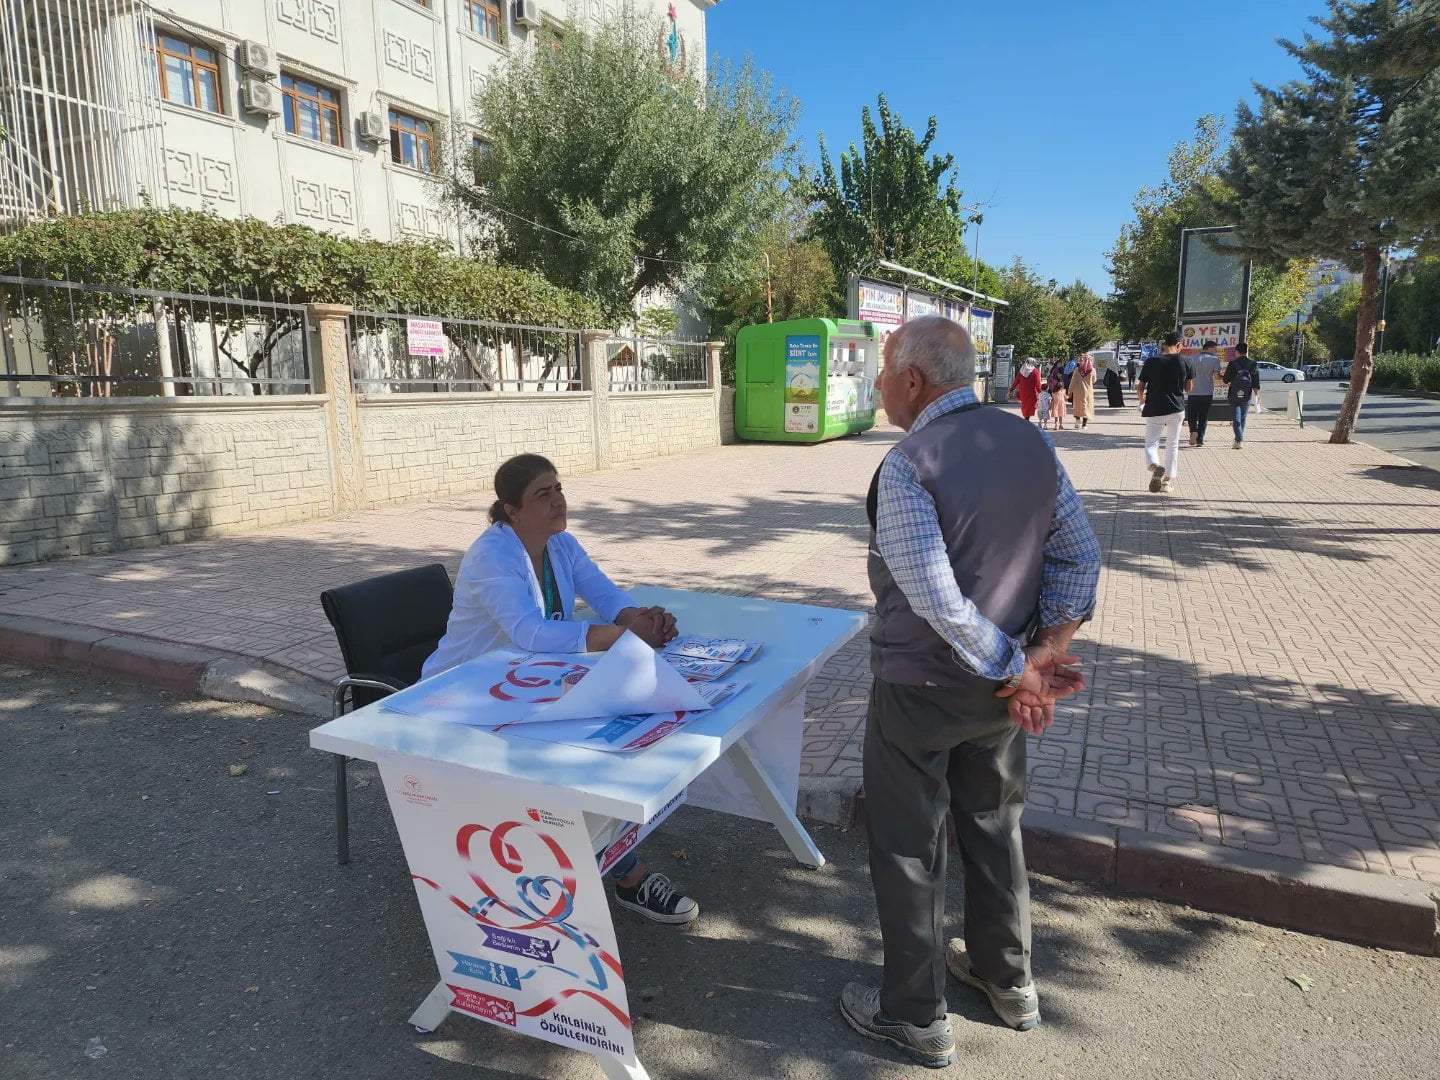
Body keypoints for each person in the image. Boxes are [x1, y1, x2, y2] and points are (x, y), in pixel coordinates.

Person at [839, 316, 1101, 1069]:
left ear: (914, 381)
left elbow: (936, 597)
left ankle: (916, 1017)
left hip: (922, 691)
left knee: (909, 846)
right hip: (999, 696)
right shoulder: (1030, 441)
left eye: (884, 371)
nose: (880, 385)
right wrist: (1043, 654)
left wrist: (1021, 667)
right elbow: (1078, 558)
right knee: (993, 824)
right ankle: (1007, 979)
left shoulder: (908, 463)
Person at [423, 453, 699, 925]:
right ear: (512, 509)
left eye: (558, 489)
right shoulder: (492, 555)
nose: (557, 501)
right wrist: (622, 638)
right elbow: (527, 632)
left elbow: (606, 595)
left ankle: (585, 865)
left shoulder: (561, 544)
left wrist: (641, 619)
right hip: (463, 694)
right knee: (581, 763)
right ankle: (614, 877)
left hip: (528, 683)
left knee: (611, 741)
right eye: (542, 494)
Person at [1137, 332, 1194, 493]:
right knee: (1172, 444)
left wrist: (1142, 401)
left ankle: (1154, 467)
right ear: (1179, 345)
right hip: (1177, 408)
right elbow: (1188, 388)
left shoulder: (1152, 361)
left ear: (1164, 344)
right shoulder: (1187, 361)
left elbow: (1140, 386)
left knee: (1151, 443)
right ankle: (1167, 482)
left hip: (1155, 407)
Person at [1223, 341, 1261, 449]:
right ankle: (1238, 440)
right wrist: (1257, 395)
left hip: (1234, 394)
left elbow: (1226, 380)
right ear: (1246, 351)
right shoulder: (1253, 364)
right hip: (1247, 394)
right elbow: (1256, 381)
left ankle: (1239, 438)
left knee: (1236, 417)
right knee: (1243, 417)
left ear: (1237, 352)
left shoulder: (1232, 364)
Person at [1185, 340, 1223, 447]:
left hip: (1192, 391)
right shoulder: (1214, 359)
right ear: (1209, 348)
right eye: (1215, 349)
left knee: (1191, 415)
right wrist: (1224, 377)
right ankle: (1200, 440)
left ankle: (1193, 431)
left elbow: (1187, 375)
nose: (1216, 351)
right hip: (1207, 392)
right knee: (1203, 416)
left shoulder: (1191, 358)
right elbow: (1216, 376)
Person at [1009, 358, 1042, 422]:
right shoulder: (1035, 371)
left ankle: (1026, 417)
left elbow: (1016, 381)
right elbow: (1038, 383)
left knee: (1025, 405)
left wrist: (1011, 389)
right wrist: (1041, 392)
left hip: (1023, 392)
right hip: (1032, 392)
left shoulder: (1021, 371)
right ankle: (1027, 418)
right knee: (1030, 405)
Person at [1069, 353, 1096, 429]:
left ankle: (1077, 420)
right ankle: (1084, 424)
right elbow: (1094, 380)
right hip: (1088, 391)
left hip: (1077, 391)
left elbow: (1073, 381)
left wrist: (1070, 391)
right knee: (1087, 407)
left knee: (1077, 406)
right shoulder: (1093, 370)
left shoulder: (1077, 370)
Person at [1045, 359, 1068, 429]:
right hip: (1057, 387)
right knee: (1060, 413)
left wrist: (1050, 405)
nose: (1061, 365)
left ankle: (1056, 424)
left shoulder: (1053, 369)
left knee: (1056, 413)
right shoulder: (1057, 370)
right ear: (1058, 363)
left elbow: (1052, 399)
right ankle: (1060, 424)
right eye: (1060, 363)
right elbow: (1060, 378)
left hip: (1054, 389)